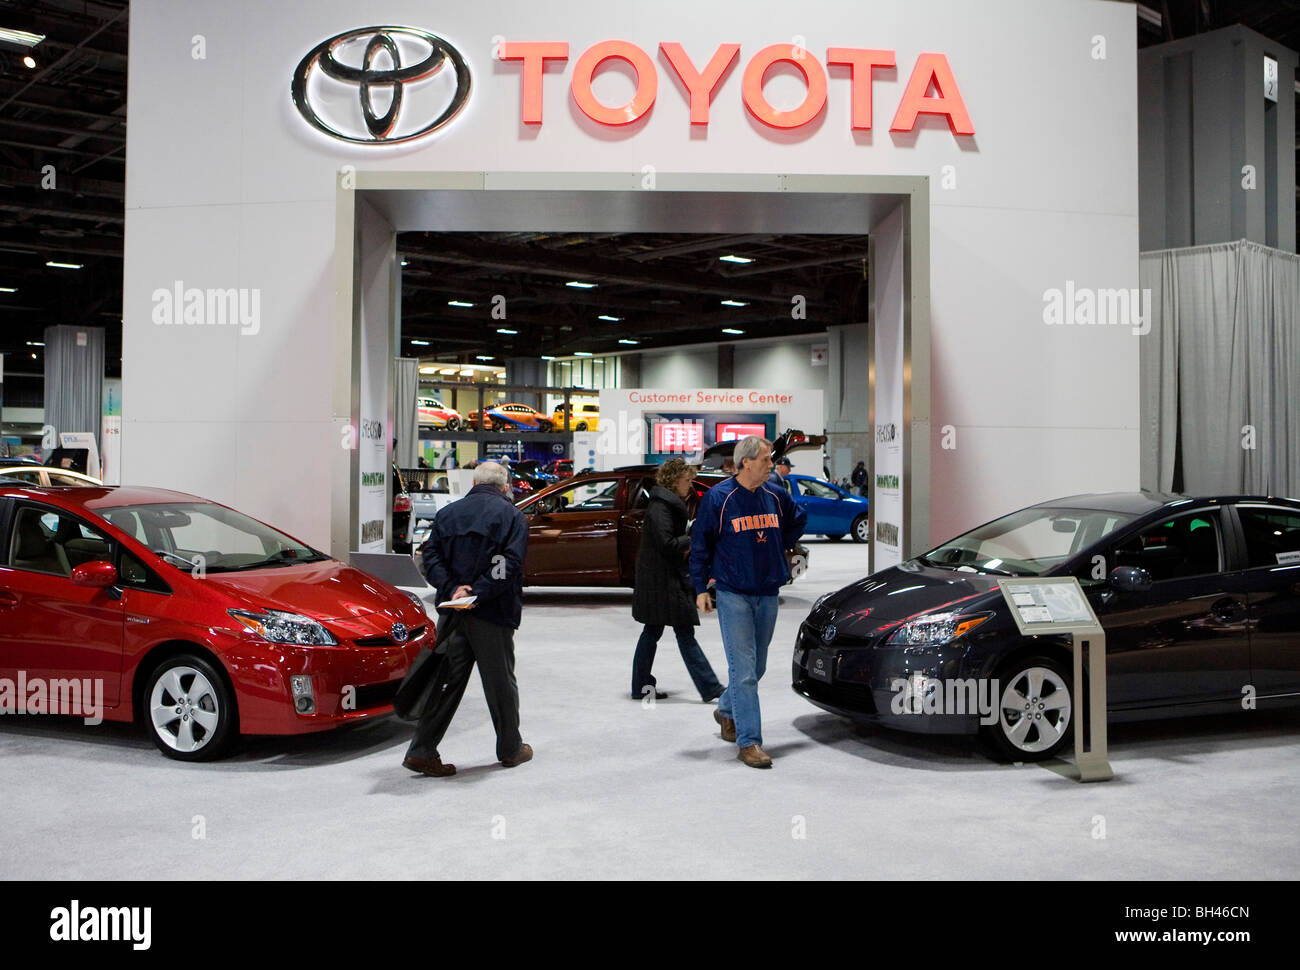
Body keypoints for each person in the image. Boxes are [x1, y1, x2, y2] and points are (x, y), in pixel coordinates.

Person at [402, 461, 532, 776]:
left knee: (445, 683)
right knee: (500, 682)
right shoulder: (513, 517)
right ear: (505, 487)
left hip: (454, 612)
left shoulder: (447, 514)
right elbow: (507, 563)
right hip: (492, 613)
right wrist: (480, 592)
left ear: (473, 482)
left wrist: (454, 590)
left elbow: (430, 557)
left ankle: (421, 750)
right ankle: (511, 749)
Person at [690, 436, 807, 768]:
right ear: (746, 463)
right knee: (743, 670)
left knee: (757, 667)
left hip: (768, 591)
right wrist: (700, 587)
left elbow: (799, 517)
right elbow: (701, 544)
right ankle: (750, 741)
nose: (772, 464)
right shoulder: (719, 498)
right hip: (733, 593)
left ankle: (727, 709)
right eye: (767, 460)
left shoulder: (775, 494)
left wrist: (779, 543)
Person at [630, 458, 725, 703]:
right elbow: (667, 544)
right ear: (674, 481)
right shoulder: (661, 507)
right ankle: (711, 687)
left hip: (660, 579)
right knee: (682, 631)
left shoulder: (664, 504)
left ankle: (641, 685)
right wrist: (691, 536)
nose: (690, 486)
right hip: (663, 581)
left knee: (653, 631)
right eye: (687, 480)